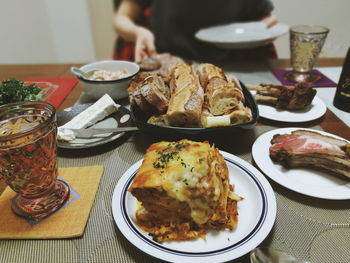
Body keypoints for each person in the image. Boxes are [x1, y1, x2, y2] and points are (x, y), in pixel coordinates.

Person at [113, 0, 278, 62]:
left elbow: (267, 18)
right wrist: (139, 33)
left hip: (233, 66)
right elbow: (121, 18)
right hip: (168, 64)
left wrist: (261, 29)